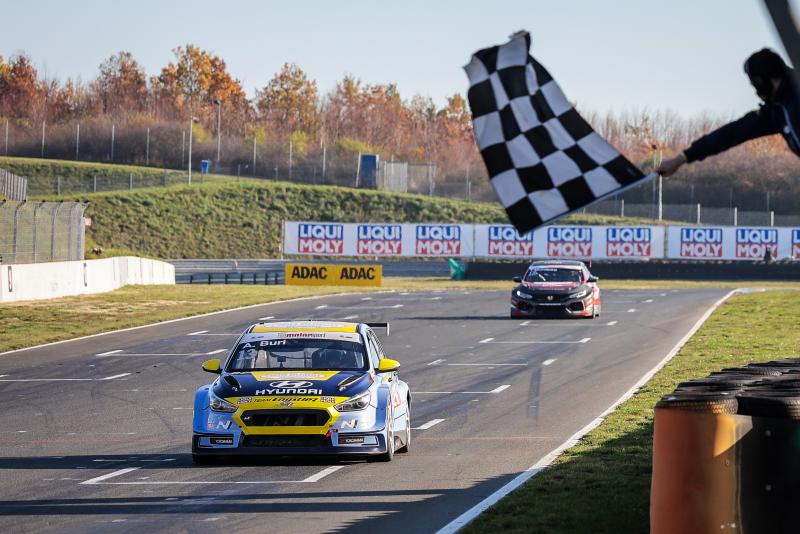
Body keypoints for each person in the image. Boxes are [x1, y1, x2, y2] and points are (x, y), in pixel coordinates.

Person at [657, 48, 800, 176]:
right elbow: (730, 134)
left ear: (761, 81)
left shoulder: (790, 102)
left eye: (755, 85)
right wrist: (682, 158)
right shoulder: (776, 112)